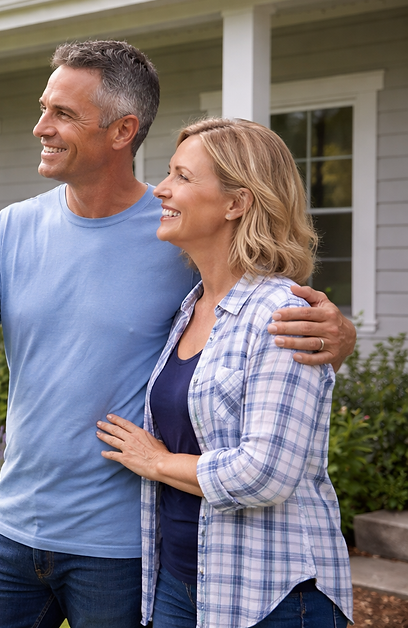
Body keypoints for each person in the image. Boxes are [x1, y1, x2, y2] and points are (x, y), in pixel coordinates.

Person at [0, 40, 355, 627]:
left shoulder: (174, 236)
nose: (40, 128)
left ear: (121, 129)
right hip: (12, 525)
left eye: (62, 114)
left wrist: (338, 333)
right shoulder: (15, 229)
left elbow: (257, 301)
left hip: (124, 545)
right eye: (43, 108)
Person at [95, 118, 353, 628]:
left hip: (272, 595)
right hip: (180, 585)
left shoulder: (282, 314)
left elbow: (265, 474)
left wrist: (158, 463)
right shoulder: (190, 308)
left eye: (183, 177)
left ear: (237, 203)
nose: (161, 189)